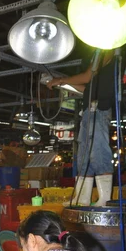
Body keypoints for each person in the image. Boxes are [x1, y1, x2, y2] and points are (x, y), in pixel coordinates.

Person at [46, 50, 115, 206]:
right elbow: (86, 88)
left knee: (98, 149)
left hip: (98, 109)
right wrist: (63, 83)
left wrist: (62, 79)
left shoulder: (107, 49)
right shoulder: (101, 61)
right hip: (89, 110)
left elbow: (87, 76)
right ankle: (82, 197)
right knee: (84, 153)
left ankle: (105, 199)